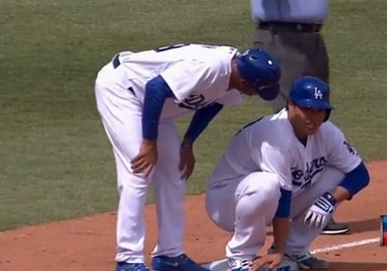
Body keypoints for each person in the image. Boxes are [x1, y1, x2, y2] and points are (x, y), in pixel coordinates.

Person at [94, 42, 281, 271]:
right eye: (256, 90)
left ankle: (169, 255)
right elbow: (155, 88)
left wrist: (188, 143)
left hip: (157, 107)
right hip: (124, 91)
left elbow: (214, 103)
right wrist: (149, 142)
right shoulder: (209, 67)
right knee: (139, 170)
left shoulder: (235, 75)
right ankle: (128, 259)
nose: (254, 95)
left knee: (174, 171)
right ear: (244, 82)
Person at [205, 77, 370, 271]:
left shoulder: (328, 133)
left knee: (337, 174)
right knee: (266, 184)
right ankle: (241, 256)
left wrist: (329, 199)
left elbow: (360, 174)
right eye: (307, 109)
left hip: (270, 200)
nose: (313, 117)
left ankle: (295, 249)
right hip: (227, 202)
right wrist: (278, 250)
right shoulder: (276, 137)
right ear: (290, 105)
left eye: (320, 111)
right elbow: (282, 198)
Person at [248, 0, 349, 236]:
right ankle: (270, 208)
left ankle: (308, 207)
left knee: (317, 120)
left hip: (312, 38)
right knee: (294, 123)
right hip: (283, 38)